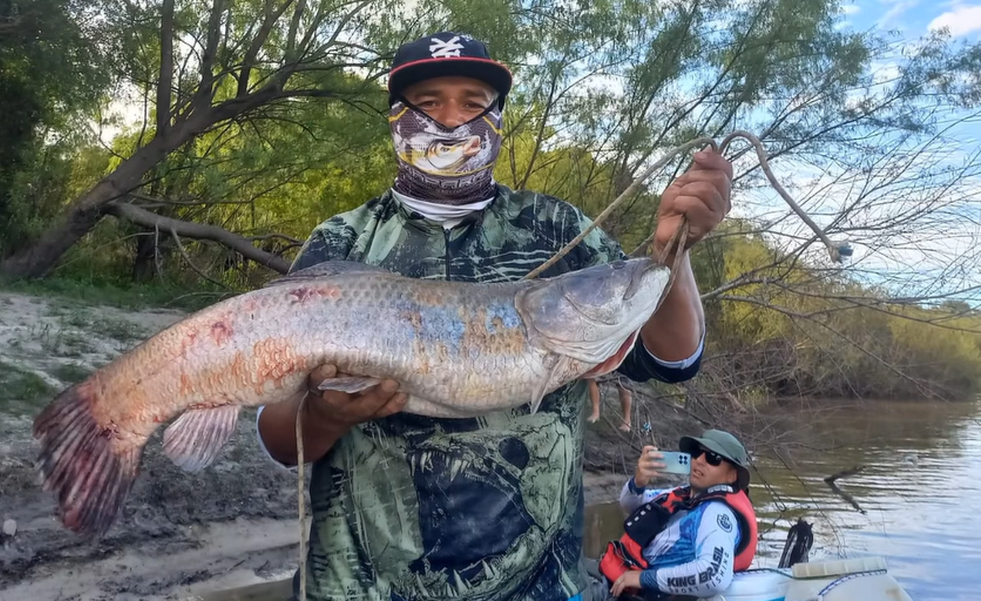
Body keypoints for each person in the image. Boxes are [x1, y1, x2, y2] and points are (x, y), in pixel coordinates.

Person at [255, 31, 732, 601]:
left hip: (539, 586)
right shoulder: (341, 242)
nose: (452, 120)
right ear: (394, 118)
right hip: (358, 586)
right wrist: (329, 417)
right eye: (427, 101)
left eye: (474, 101)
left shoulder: (560, 230)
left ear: (498, 119)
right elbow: (282, 439)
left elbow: (672, 361)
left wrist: (672, 251)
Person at [597, 430, 758, 600]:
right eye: (697, 453)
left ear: (732, 476)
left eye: (713, 458)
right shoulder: (684, 495)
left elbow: (714, 575)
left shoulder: (717, 512)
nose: (699, 460)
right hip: (618, 579)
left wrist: (642, 578)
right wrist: (639, 482)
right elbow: (630, 504)